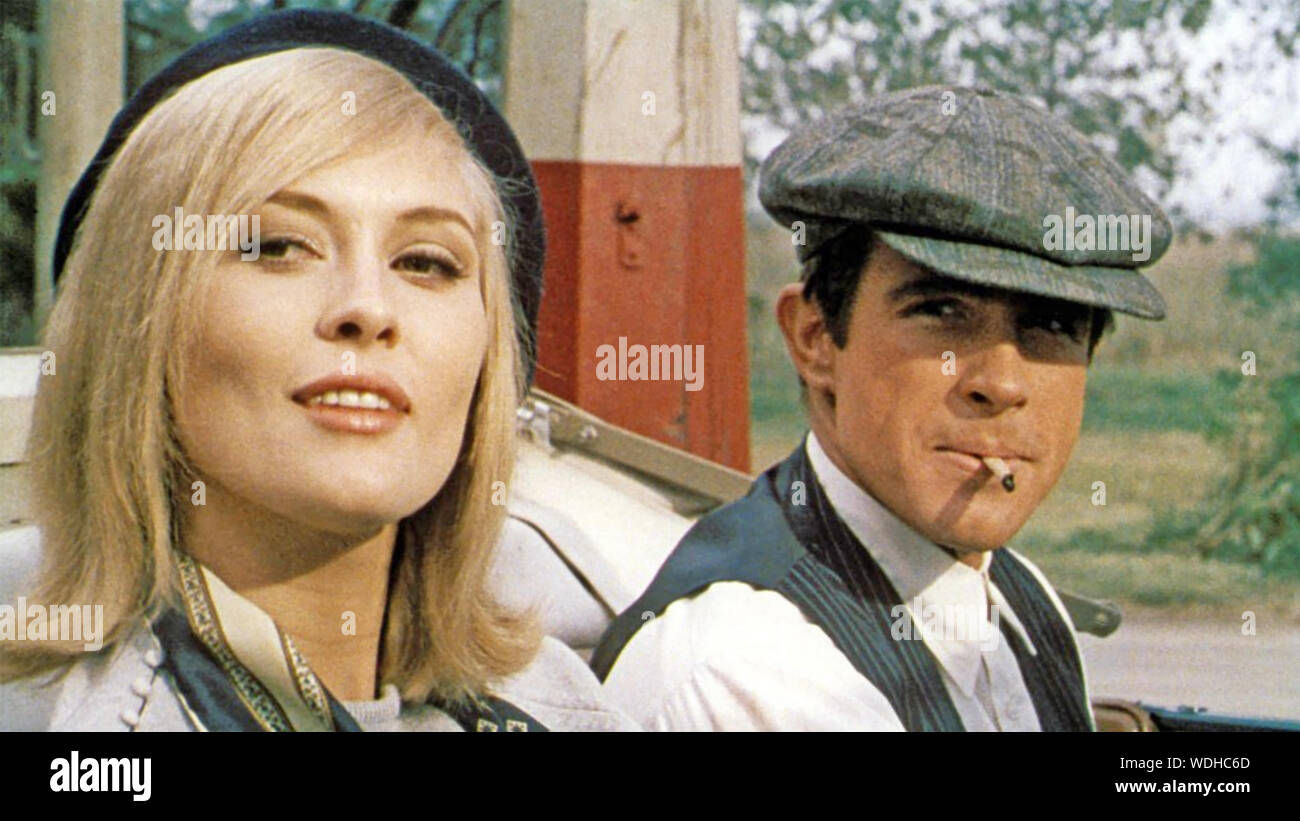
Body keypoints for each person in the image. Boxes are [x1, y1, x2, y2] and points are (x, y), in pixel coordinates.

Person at [0, 9, 634, 732]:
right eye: (278, 247)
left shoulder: (572, 705)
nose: (367, 308)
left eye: (426, 261)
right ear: (137, 325)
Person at [592, 85, 1171, 731]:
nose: (1002, 383)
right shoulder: (752, 667)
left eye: (1054, 324)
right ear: (815, 338)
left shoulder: (1019, 600)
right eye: (941, 310)